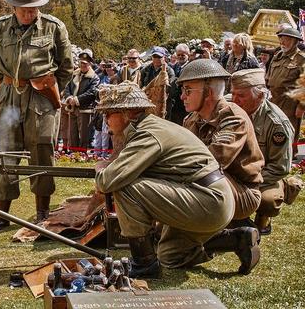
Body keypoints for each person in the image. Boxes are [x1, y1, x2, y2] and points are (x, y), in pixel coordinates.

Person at [93, 82, 236, 277]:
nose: (106, 118)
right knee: (170, 256)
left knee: (126, 187)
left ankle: (144, 265)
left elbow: (108, 182)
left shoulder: (148, 134)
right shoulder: (151, 127)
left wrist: (101, 169)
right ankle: (235, 239)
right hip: (211, 200)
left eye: (109, 112)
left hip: (209, 202)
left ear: (128, 113)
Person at [0, 0, 74, 231]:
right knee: (5, 152)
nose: (30, 13)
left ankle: (42, 212)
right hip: (9, 94)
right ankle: (0, 213)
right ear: (13, 7)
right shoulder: (0, 28)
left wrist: (49, 90)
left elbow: (66, 66)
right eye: (25, 9)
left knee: (42, 151)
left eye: (34, 8)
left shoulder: (54, 27)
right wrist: (5, 85)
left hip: (41, 98)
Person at [178, 59, 263, 274]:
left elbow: (212, 161)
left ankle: (229, 232)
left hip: (241, 191)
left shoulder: (232, 117)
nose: (182, 96)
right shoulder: (192, 120)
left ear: (208, 92)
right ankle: (237, 237)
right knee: (166, 237)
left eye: (188, 90)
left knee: (195, 184)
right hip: (215, 184)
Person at [230, 69, 303, 235]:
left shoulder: (277, 124)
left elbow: (280, 167)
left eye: (241, 95)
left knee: (267, 201)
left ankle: (282, 190)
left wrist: (248, 182)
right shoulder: (230, 107)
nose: (234, 100)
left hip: (263, 174)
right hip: (236, 169)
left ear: (260, 96)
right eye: (232, 93)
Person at [266, 27, 305, 151]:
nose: (282, 42)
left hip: (290, 102)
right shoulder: (278, 55)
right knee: (274, 130)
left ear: (295, 41)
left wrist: (301, 106)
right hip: (274, 99)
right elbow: (269, 76)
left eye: (286, 40)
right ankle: (276, 156)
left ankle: (289, 156)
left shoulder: (301, 58)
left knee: (289, 130)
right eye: (281, 39)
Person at [63, 49, 100, 150]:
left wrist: (76, 99)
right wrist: (69, 98)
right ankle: (73, 152)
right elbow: (67, 88)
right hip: (72, 107)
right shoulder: (74, 74)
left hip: (85, 109)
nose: (83, 65)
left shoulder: (94, 77)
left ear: (90, 64)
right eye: (81, 63)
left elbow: (92, 92)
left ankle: (82, 153)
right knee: (72, 132)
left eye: (85, 63)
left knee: (84, 133)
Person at [169, 44, 191, 125]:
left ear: (188, 54)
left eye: (183, 55)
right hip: (174, 103)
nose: (180, 57)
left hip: (185, 100)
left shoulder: (191, 67)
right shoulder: (174, 67)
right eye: (178, 55)